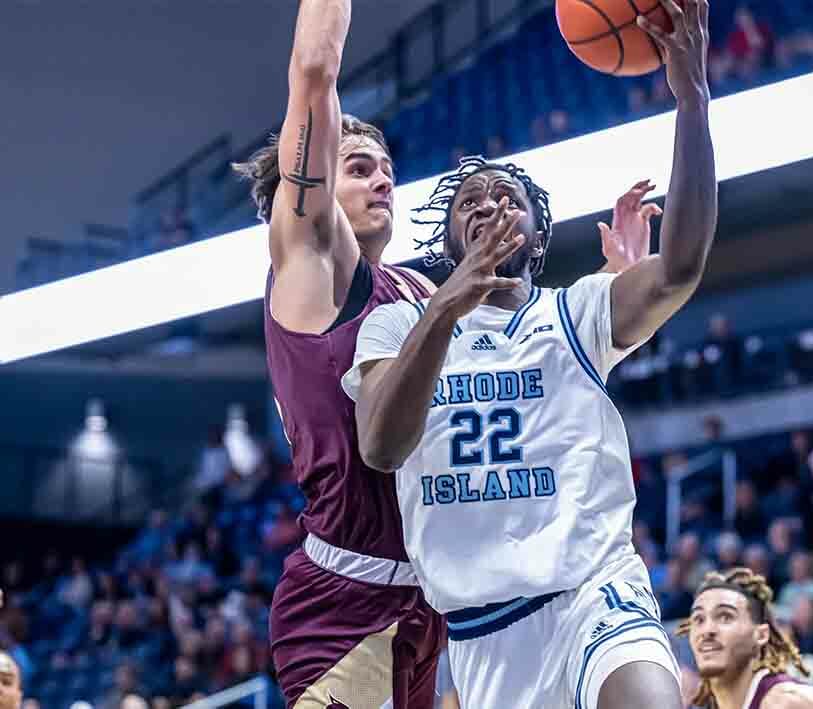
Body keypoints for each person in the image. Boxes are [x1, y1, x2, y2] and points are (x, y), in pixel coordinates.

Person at [230, 2, 654, 706]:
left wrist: (616, 280)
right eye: (358, 167)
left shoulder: (421, 290)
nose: (382, 180)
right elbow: (314, 72)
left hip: (436, 598)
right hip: (345, 594)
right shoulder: (309, 263)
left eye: (387, 169)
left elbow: (530, 335)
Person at [347, 2, 714, 706]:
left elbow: (680, 269)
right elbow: (383, 447)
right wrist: (447, 304)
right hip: (484, 634)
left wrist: (692, 99)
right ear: (448, 241)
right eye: (469, 202)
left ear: (537, 238)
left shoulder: (576, 311)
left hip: (595, 593)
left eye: (506, 198)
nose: (488, 205)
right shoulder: (398, 326)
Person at [682, 569, 813, 708]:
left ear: (761, 635)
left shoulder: (789, 702)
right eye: (699, 619)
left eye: (725, 617)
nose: (707, 630)